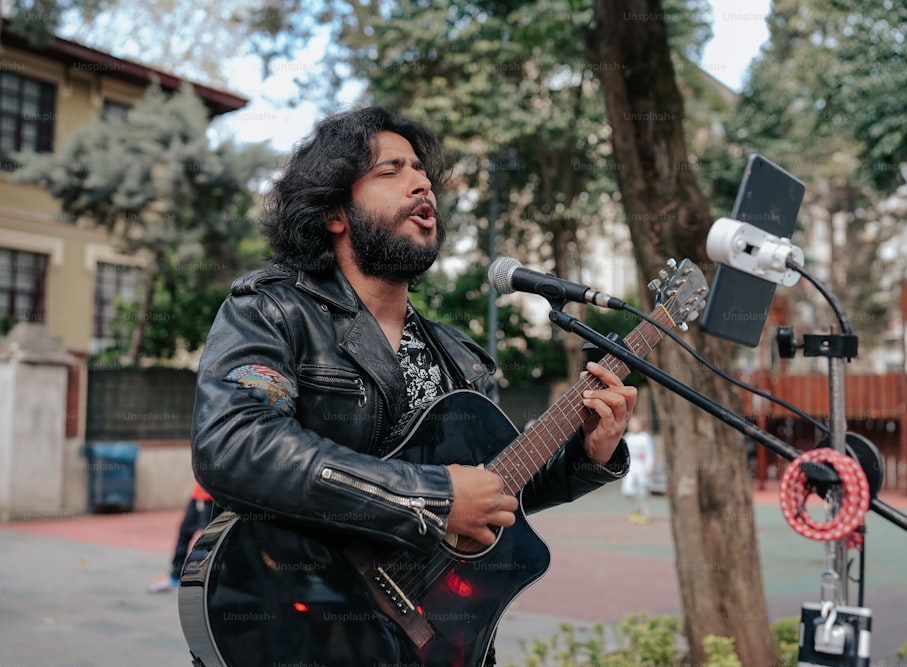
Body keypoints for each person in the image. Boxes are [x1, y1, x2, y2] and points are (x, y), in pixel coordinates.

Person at [190, 107, 636, 665]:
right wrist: (433, 498)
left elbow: (494, 499)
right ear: (334, 211)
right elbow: (234, 445)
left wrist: (588, 454)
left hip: (433, 639)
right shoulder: (273, 309)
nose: (422, 182)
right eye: (391, 171)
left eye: (421, 170)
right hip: (293, 619)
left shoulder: (460, 358)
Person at [147, 480, 213, 593]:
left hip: (210, 499)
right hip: (197, 496)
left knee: (209, 541)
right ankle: (175, 577)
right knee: (184, 533)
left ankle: (211, 580)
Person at [621, 417, 654, 524]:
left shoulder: (645, 437)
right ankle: (636, 508)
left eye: (636, 424)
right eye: (631, 424)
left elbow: (650, 454)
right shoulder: (628, 437)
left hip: (642, 467)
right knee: (627, 491)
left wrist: (649, 468)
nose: (633, 426)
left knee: (643, 490)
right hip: (630, 467)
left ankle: (645, 512)